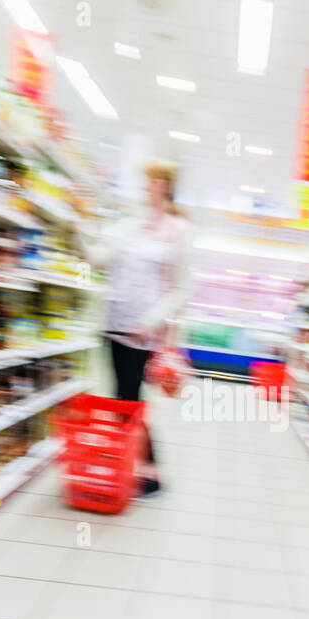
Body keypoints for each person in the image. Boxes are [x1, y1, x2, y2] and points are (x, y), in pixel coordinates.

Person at [79, 159, 194, 498]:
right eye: (146, 182)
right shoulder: (129, 225)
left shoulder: (179, 231)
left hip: (143, 333)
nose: (147, 188)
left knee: (129, 400)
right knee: (124, 399)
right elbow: (99, 260)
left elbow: (182, 288)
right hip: (113, 326)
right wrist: (78, 224)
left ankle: (147, 474)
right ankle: (142, 470)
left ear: (166, 187)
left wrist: (151, 321)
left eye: (153, 182)